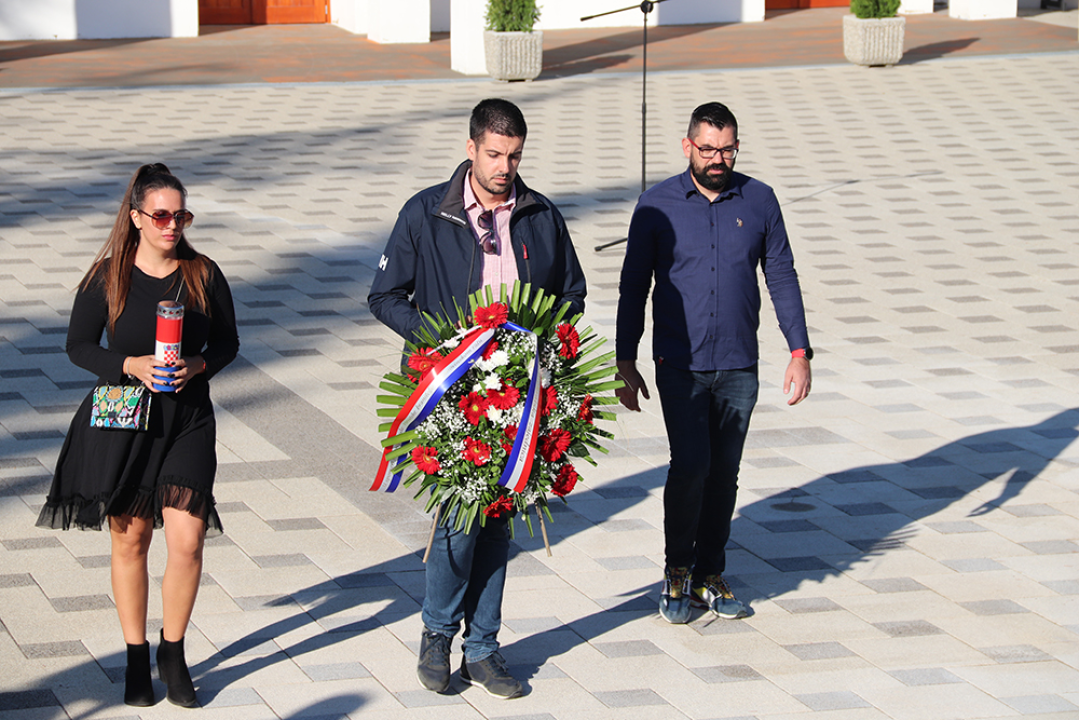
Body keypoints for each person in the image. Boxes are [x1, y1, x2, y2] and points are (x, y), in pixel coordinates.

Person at [369, 98, 585, 698]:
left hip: (519, 395)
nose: (504, 167)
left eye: (514, 155)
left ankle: (484, 648)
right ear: (471, 149)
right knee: (460, 520)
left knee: (498, 525)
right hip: (450, 392)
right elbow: (385, 296)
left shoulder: (540, 215)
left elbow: (571, 292)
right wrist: (441, 342)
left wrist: (542, 345)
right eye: (494, 154)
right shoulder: (425, 213)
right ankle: (437, 634)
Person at [36, 163, 239, 707]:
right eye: (162, 215)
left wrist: (196, 367)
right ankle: (134, 657)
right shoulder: (109, 275)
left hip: (188, 418)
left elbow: (227, 344)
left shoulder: (203, 273)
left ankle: (172, 652)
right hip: (125, 415)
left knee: (188, 541)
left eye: (181, 214)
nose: (173, 225)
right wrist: (130, 363)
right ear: (137, 217)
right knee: (130, 538)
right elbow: (79, 345)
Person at [615, 102, 811, 624]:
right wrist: (624, 358)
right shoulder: (656, 206)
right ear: (687, 147)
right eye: (707, 149)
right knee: (692, 466)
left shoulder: (760, 200)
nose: (717, 159)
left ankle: (709, 572)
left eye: (727, 149)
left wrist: (799, 350)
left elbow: (783, 276)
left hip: (739, 364)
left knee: (725, 473)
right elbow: (634, 285)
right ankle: (677, 569)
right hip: (678, 362)